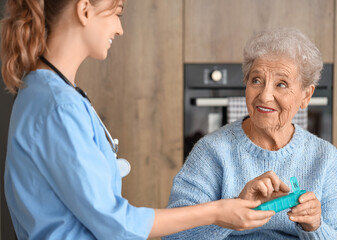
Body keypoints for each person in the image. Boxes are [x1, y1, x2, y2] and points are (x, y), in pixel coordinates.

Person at [0, 0, 281, 239]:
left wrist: (226, 208)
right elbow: (116, 224)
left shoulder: (46, 92)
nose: (120, 29)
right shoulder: (58, 106)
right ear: (84, 10)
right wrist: (218, 211)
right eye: (117, 13)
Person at [162, 28, 337, 239]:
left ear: (306, 95)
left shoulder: (325, 158)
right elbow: (173, 234)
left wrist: (315, 227)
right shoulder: (210, 152)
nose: (265, 96)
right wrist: (230, 214)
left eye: (281, 84)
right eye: (256, 80)